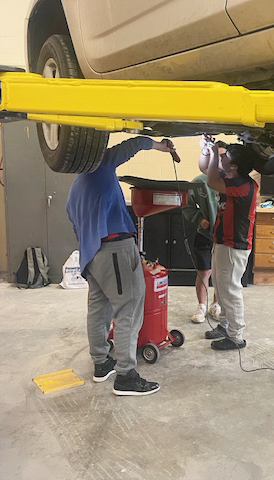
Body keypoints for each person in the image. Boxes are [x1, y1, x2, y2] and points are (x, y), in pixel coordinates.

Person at [66, 135, 174, 396]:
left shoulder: (75, 187)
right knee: (128, 310)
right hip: (115, 249)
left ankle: (102, 363)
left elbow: (74, 223)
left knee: (99, 310)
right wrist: (161, 146)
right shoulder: (100, 166)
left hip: (92, 255)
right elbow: (134, 144)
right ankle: (126, 376)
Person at [200, 140, 258, 350]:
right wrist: (208, 150)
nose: (222, 158)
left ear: (234, 167)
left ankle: (236, 336)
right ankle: (225, 325)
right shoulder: (232, 178)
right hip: (223, 242)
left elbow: (211, 181)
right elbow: (206, 169)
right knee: (222, 287)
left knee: (230, 290)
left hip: (234, 246)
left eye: (226, 157)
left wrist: (215, 152)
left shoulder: (243, 185)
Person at [182, 138, 222, 324]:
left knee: (221, 273)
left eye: (223, 157)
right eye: (217, 156)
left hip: (224, 237)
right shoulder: (199, 182)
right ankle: (202, 306)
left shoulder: (230, 182)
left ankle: (216, 305)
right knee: (204, 271)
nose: (220, 161)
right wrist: (200, 219)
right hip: (205, 234)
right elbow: (186, 206)